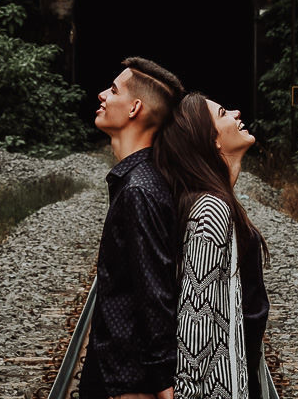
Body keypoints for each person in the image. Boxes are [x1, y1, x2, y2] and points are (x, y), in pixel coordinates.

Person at [78, 55, 185, 399]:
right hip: (120, 374)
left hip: (128, 381)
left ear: (135, 107)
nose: (102, 95)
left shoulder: (140, 189)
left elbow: (155, 291)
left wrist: (162, 383)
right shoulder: (141, 181)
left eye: (113, 89)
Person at [154, 92, 269, 399]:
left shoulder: (215, 202)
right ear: (212, 140)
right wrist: (187, 391)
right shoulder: (210, 210)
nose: (236, 111)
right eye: (223, 113)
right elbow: (196, 313)